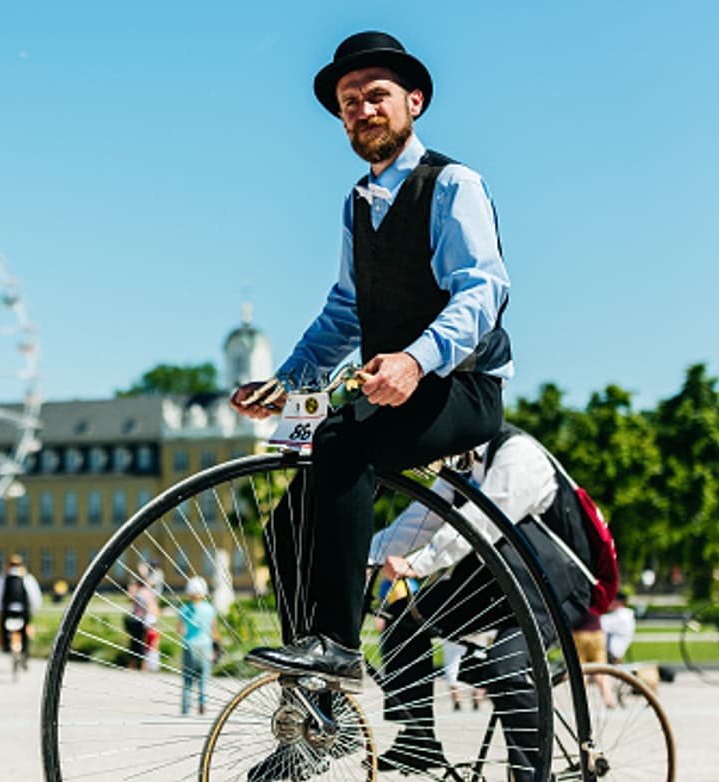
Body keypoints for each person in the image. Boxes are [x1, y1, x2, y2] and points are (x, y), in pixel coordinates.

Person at [230, 29, 512, 698]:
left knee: (339, 440)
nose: (362, 109)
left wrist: (415, 360)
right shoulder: (357, 203)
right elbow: (344, 313)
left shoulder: (452, 185)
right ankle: (310, 697)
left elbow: (483, 291)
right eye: (349, 102)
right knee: (289, 523)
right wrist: (286, 383)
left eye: (376, 95)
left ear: (414, 101)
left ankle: (337, 646)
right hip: (394, 393)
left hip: (463, 387)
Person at [355, 423, 596, 778]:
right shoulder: (461, 462)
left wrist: (418, 564)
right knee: (402, 618)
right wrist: (365, 559)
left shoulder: (518, 453)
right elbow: (420, 521)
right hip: (497, 585)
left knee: (506, 669)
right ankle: (418, 739)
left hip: (554, 588)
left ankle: (534, 776)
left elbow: (480, 524)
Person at [178, 576, 220, 716]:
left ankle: (185, 709)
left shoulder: (184, 609)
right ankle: (202, 704)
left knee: (187, 680)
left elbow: (179, 630)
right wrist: (217, 647)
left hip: (189, 646)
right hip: (205, 646)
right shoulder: (210, 609)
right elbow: (214, 631)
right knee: (203, 679)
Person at [0, 553, 42, 663]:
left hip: (7, 612)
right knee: (25, 632)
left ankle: (8, 647)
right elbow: (35, 598)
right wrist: (33, 611)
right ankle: (24, 653)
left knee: (5, 632)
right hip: (23, 612)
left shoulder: (2, 579)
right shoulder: (27, 578)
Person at [602, 591, 636, 665]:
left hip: (611, 657)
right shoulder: (623, 614)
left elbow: (599, 623)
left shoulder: (622, 616)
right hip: (611, 656)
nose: (607, 603)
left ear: (619, 602)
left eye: (610, 600)